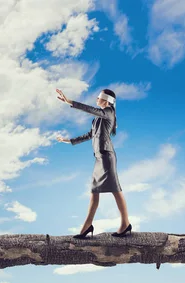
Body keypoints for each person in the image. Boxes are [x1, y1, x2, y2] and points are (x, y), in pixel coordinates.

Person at [55, 88, 132, 239]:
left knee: (116, 190)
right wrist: (69, 140)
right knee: (94, 192)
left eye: (99, 98)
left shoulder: (108, 112)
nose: (96, 99)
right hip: (99, 158)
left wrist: (70, 101)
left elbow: (90, 110)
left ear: (106, 101)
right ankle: (87, 226)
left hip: (106, 157)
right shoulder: (97, 118)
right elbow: (90, 134)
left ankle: (125, 224)